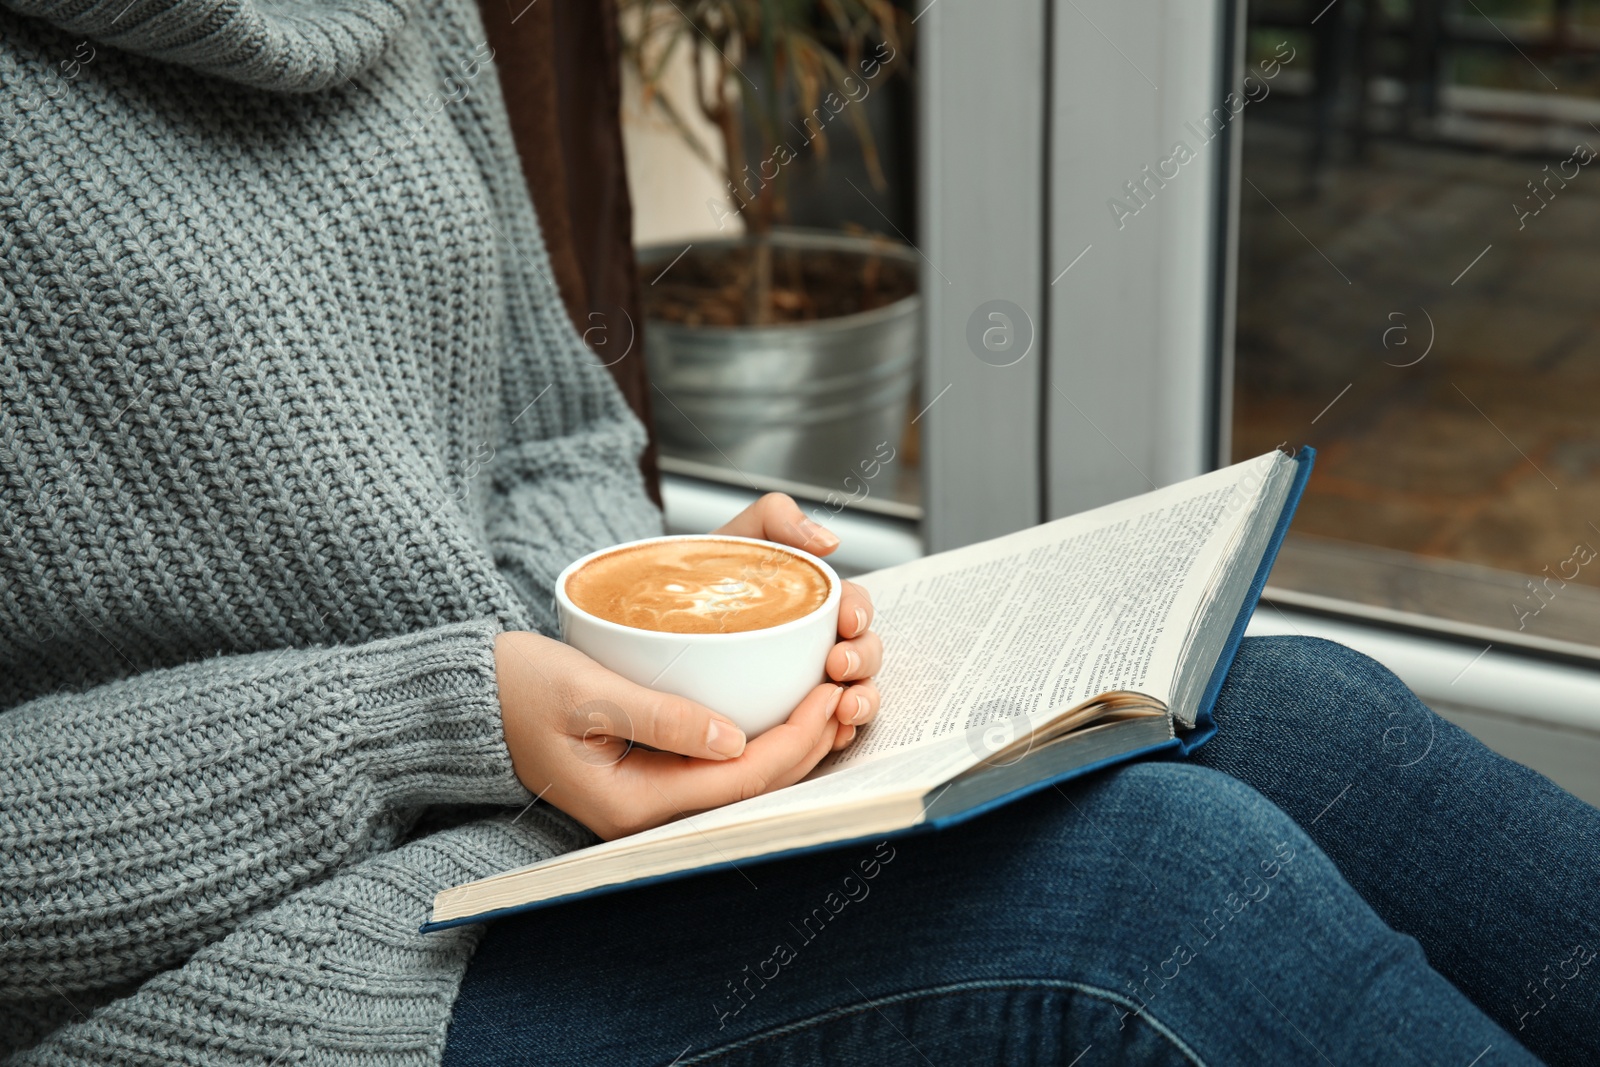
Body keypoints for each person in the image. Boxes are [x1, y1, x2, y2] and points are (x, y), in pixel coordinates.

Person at [0, 0, 1594, 1064]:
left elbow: (544, 425)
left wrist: (633, 645)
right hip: (210, 952)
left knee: (1298, 709)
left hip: (533, 819)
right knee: (1155, 903)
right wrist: (441, 719)